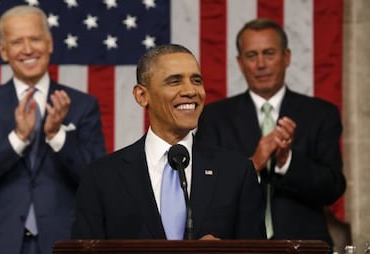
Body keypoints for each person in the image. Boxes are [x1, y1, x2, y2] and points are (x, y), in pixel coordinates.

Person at [72, 44, 265, 240]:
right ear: (142, 95)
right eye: (175, 81)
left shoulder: (236, 172)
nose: (191, 91)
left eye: (196, 80)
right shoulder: (102, 178)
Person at [0, 5, 106, 254]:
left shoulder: (82, 105)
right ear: (4, 51)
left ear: (49, 44)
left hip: (64, 241)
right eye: (17, 42)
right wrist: (17, 138)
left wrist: (57, 135)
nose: (27, 49)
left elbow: (98, 183)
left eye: (35, 39)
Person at [195, 18, 346, 247]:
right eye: (251, 55)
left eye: (269, 53)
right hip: (238, 247)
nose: (261, 64)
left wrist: (287, 161)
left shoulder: (321, 114)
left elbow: (333, 188)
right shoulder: (214, 117)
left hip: (303, 247)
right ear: (240, 62)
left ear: (286, 57)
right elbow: (205, 193)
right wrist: (252, 165)